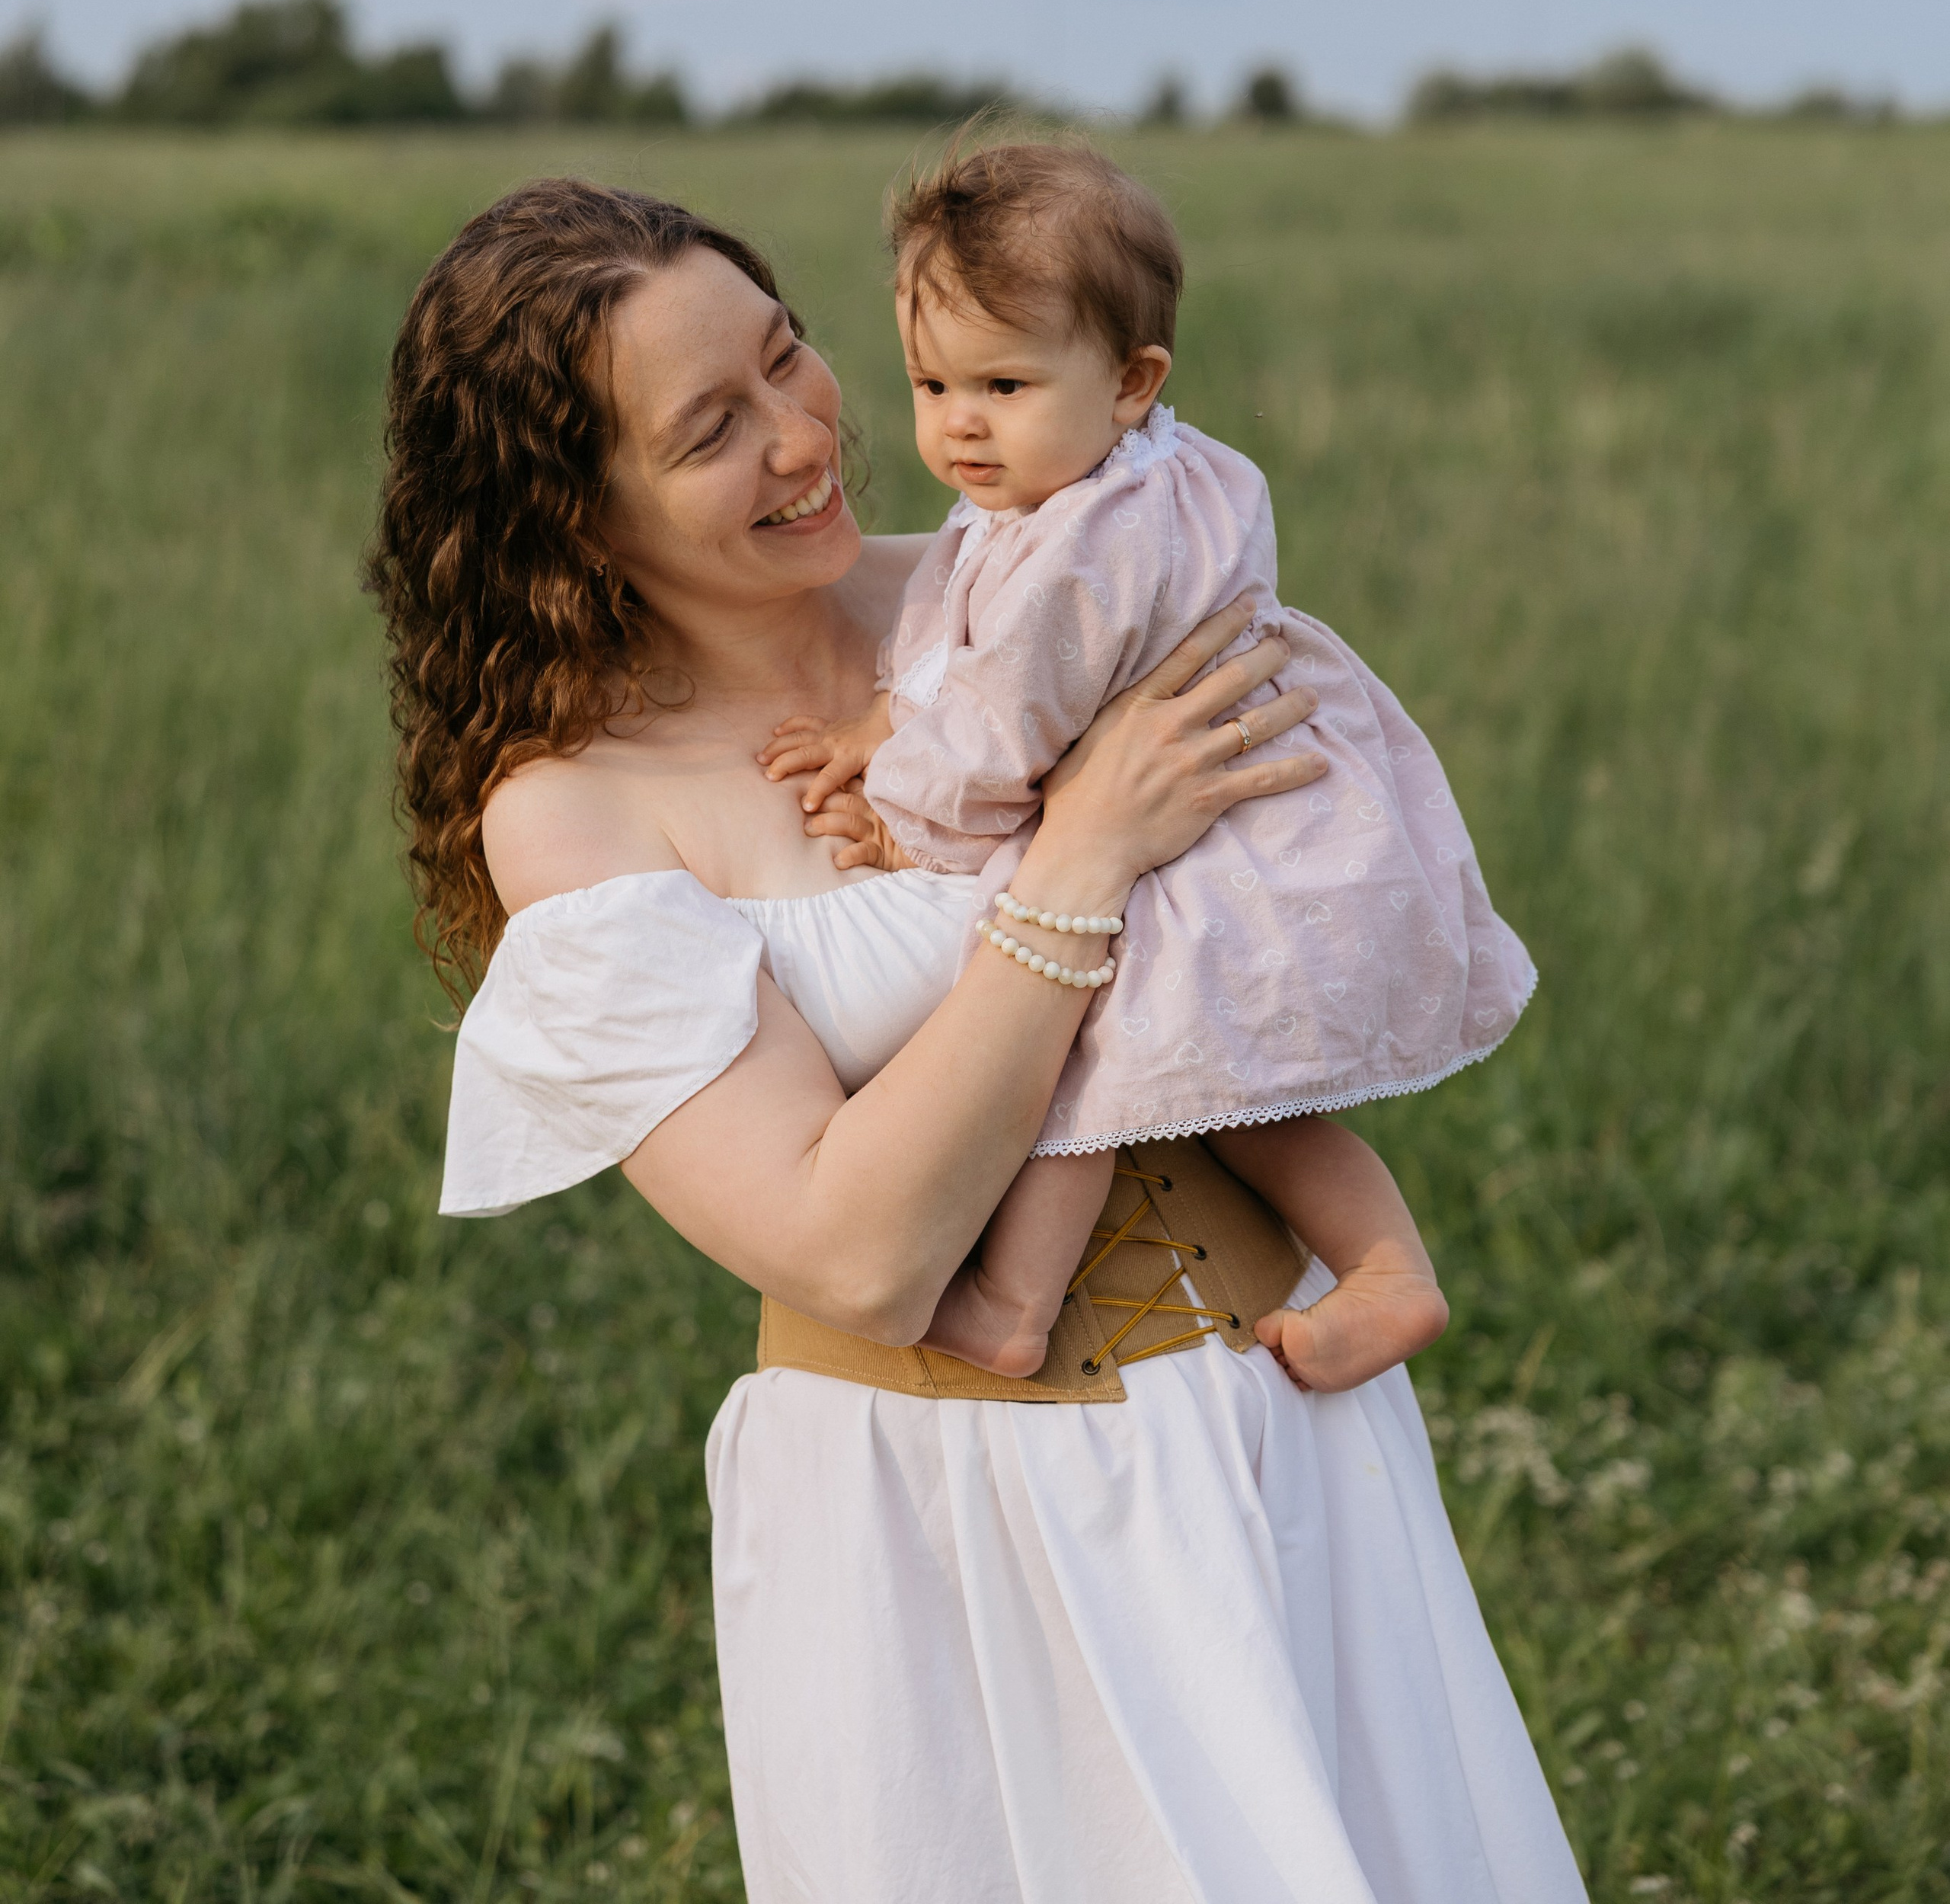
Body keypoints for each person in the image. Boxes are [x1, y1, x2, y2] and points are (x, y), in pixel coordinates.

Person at [372, 174, 1585, 1904]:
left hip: (1276, 1422)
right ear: (570, 515)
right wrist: (1078, 851)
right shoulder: (574, 815)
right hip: (955, 1504)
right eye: (714, 428)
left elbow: (1271, 876)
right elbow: (852, 1253)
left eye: (789, 358)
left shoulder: (1006, 588)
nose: (806, 437)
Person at [757, 141, 1535, 1387]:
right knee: (1246, 1103)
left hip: (1204, 842)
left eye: (1005, 384)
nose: (960, 421)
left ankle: (1015, 1302)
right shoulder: (1136, 476)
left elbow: (1008, 727)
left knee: (1083, 1057)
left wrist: (901, 811)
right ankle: (1386, 1266)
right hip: (1225, 816)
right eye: (931, 382)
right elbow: (984, 662)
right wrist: (881, 723)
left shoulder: (1086, 542)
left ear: (1130, 381)